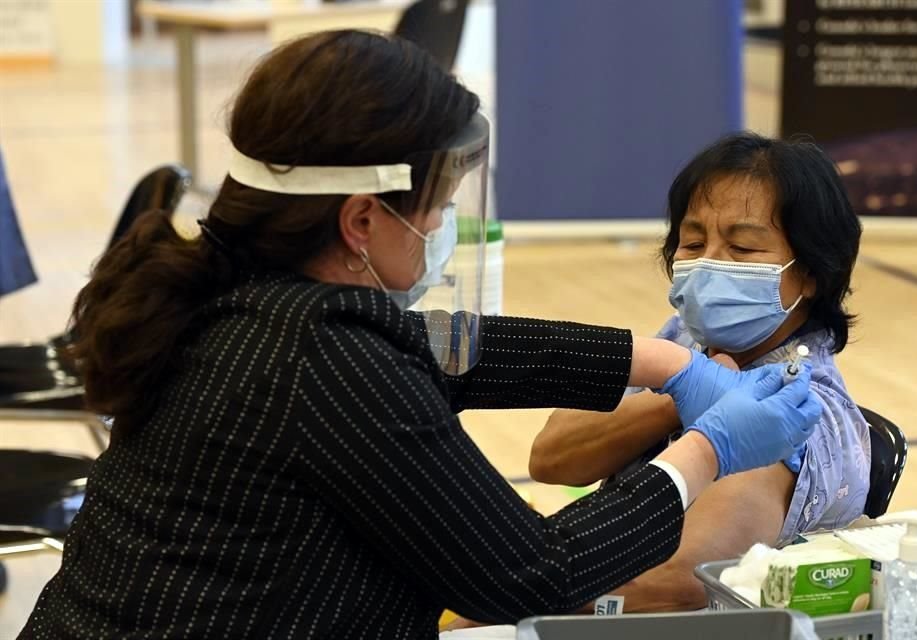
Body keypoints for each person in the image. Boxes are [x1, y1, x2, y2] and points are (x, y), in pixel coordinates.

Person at [20, 33, 820, 640]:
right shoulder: (323, 363)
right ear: (363, 219)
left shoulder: (230, 285)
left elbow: (440, 345)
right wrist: (705, 450)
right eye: (435, 206)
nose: (441, 227)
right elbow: (531, 574)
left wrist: (666, 362)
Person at [527, 132, 868, 613]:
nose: (708, 262)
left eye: (743, 248)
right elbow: (552, 457)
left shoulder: (794, 407)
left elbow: (680, 585)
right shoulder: (686, 340)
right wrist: (681, 392)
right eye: (692, 242)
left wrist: (507, 594)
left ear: (811, 271)